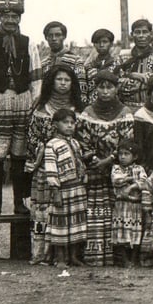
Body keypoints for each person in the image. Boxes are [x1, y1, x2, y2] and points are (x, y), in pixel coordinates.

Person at [0, 0, 42, 215]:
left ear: (20, 18)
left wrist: (33, 101)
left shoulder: (29, 42)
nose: (10, 20)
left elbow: (36, 75)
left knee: (19, 154)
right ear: (0, 17)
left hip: (22, 100)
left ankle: (18, 203)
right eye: (6, 16)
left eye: (14, 16)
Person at [76, 71, 135, 266]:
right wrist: (94, 159)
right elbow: (82, 140)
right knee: (95, 213)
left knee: (118, 213)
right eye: (101, 87)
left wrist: (109, 160)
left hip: (118, 171)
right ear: (96, 89)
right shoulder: (87, 113)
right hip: (94, 171)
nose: (105, 91)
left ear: (116, 88)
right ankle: (95, 256)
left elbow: (128, 141)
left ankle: (118, 256)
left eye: (109, 87)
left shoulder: (125, 113)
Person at [26, 65, 84, 265]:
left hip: (72, 174)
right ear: (51, 82)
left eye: (67, 80)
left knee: (70, 214)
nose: (63, 83)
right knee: (47, 214)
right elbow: (32, 138)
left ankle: (69, 254)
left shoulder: (79, 109)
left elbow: (81, 139)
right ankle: (44, 254)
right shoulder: (41, 109)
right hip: (46, 171)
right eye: (59, 79)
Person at [41, 108, 88, 269]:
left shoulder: (75, 143)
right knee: (60, 224)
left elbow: (79, 162)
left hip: (77, 188)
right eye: (65, 122)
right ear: (55, 125)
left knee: (76, 223)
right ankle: (60, 258)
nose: (69, 126)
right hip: (62, 189)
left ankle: (74, 256)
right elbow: (51, 169)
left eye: (72, 123)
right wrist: (56, 191)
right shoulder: (52, 145)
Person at [118, 18, 153, 109]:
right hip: (126, 107)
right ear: (132, 35)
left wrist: (130, 76)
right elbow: (116, 82)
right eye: (137, 32)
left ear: (151, 34)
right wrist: (139, 77)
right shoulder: (123, 56)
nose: (141, 36)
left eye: (145, 32)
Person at [110, 140, 147, 268]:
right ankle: (125, 260)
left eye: (127, 154)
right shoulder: (116, 168)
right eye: (121, 154)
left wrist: (130, 187)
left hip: (135, 205)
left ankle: (134, 258)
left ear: (135, 156)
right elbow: (116, 180)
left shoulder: (139, 168)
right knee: (122, 231)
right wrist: (130, 179)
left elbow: (144, 182)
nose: (123, 157)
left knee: (135, 231)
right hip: (121, 205)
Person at [41, 21, 87, 92]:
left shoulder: (76, 61)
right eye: (50, 35)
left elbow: (82, 89)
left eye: (58, 35)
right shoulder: (43, 64)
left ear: (64, 37)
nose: (54, 38)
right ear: (46, 38)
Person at [83, 28, 122, 106]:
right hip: (92, 105)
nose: (101, 45)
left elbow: (120, 85)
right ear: (94, 45)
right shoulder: (88, 66)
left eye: (105, 42)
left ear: (111, 44)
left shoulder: (117, 64)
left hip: (113, 105)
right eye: (98, 42)